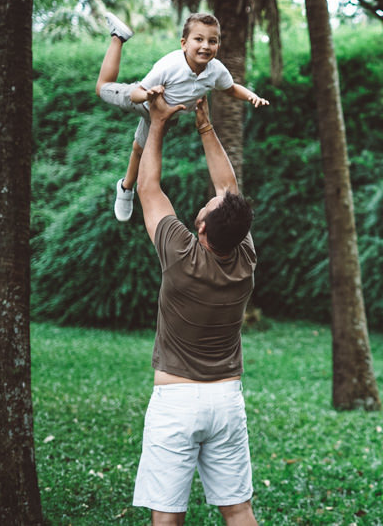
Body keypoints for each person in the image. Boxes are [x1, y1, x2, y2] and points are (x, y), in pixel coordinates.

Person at [131, 91, 259, 525]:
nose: (211, 199)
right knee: (238, 509)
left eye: (206, 207)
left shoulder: (180, 253)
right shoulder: (244, 258)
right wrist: (205, 125)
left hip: (176, 401)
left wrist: (157, 123)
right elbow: (229, 189)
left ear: (201, 229)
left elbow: (148, 188)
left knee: (168, 515)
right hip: (226, 401)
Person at [96, 11, 270, 222]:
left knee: (139, 149)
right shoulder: (170, 65)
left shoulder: (216, 70)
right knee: (102, 88)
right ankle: (118, 37)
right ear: (184, 44)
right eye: (199, 39)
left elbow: (231, 88)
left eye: (212, 41)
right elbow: (135, 93)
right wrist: (148, 94)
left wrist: (251, 96)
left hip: (165, 117)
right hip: (143, 101)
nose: (206, 46)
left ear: (218, 45)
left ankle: (126, 187)